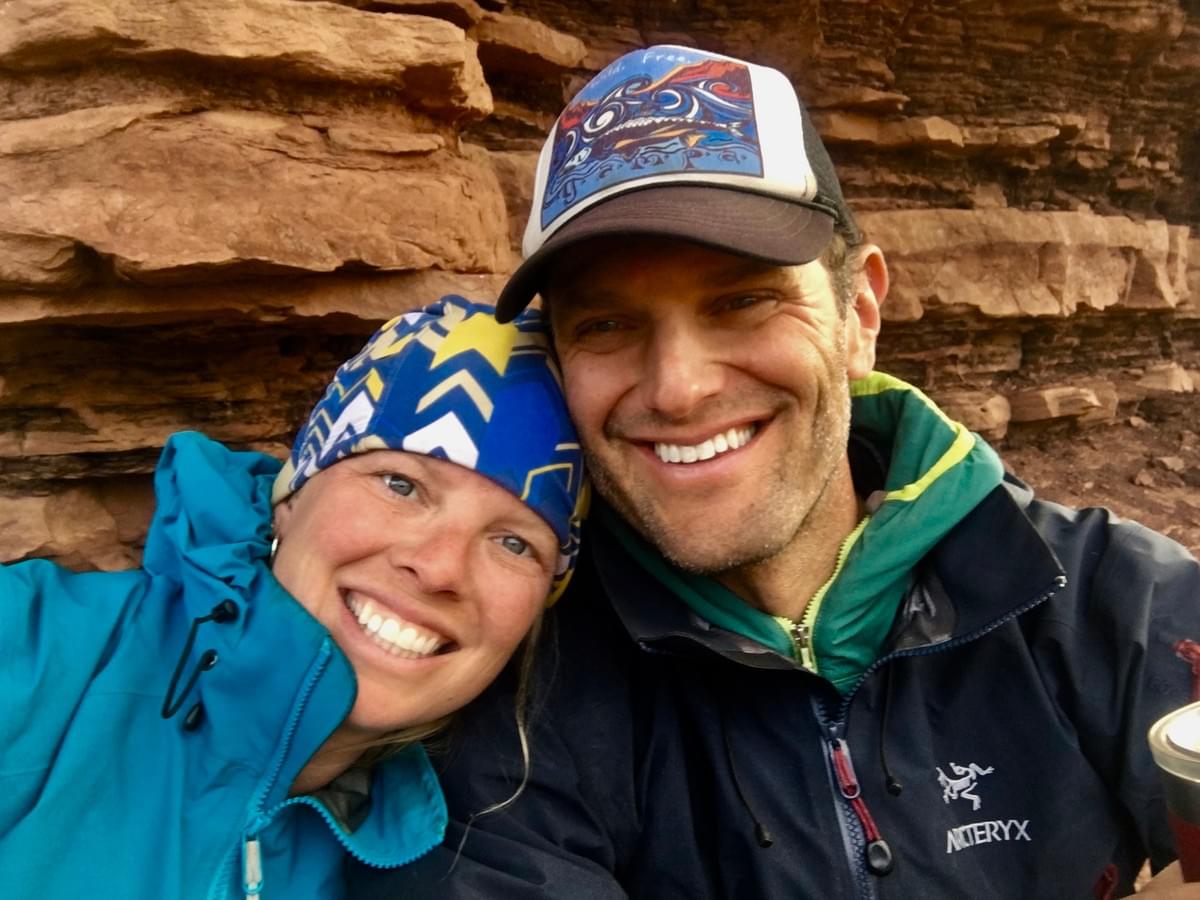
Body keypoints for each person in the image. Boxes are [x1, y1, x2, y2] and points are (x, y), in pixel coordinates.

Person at [349, 46, 1200, 899]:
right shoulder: (524, 704)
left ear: (858, 314)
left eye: (743, 299)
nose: (679, 388)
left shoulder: (1108, 602)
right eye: (606, 323)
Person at [0, 295, 586, 900]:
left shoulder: (454, 848)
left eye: (515, 543)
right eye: (400, 485)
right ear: (291, 496)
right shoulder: (30, 651)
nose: (440, 568)